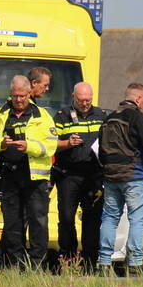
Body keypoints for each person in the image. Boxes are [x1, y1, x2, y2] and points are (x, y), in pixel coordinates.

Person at [0, 75, 58, 269]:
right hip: (9, 176)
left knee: (38, 222)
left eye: (22, 96)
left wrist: (28, 146)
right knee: (13, 222)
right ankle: (14, 263)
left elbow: (51, 145)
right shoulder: (0, 114)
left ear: (29, 93)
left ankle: (37, 264)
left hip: (35, 178)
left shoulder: (41, 115)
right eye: (15, 96)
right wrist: (1, 144)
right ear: (10, 94)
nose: (19, 100)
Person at [97, 84, 143, 276]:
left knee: (110, 218)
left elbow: (101, 150)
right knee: (137, 219)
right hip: (134, 175)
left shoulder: (107, 119)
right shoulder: (137, 117)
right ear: (138, 99)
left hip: (111, 177)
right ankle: (135, 264)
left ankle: (104, 263)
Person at [53, 82, 106, 270]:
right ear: (73, 97)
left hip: (93, 176)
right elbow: (51, 143)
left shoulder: (101, 115)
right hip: (69, 175)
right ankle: (67, 258)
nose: (85, 103)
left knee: (92, 219)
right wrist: (67, 143)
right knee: (66, 218)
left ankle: (90, 261)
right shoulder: (61, 116)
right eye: (81, 100)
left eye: (88, 100)